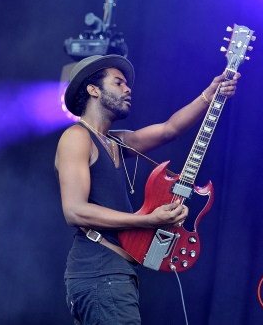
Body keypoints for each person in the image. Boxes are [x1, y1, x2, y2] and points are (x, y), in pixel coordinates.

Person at [55, 54, 240, 324]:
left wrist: (208, 95)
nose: (128, 88)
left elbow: (169, 130)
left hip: (111, 275)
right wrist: (146, 221)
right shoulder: (76, 137)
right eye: (118, 83)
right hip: (99, 274)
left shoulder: (116, 142)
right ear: (93, 90)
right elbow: (74, 211)